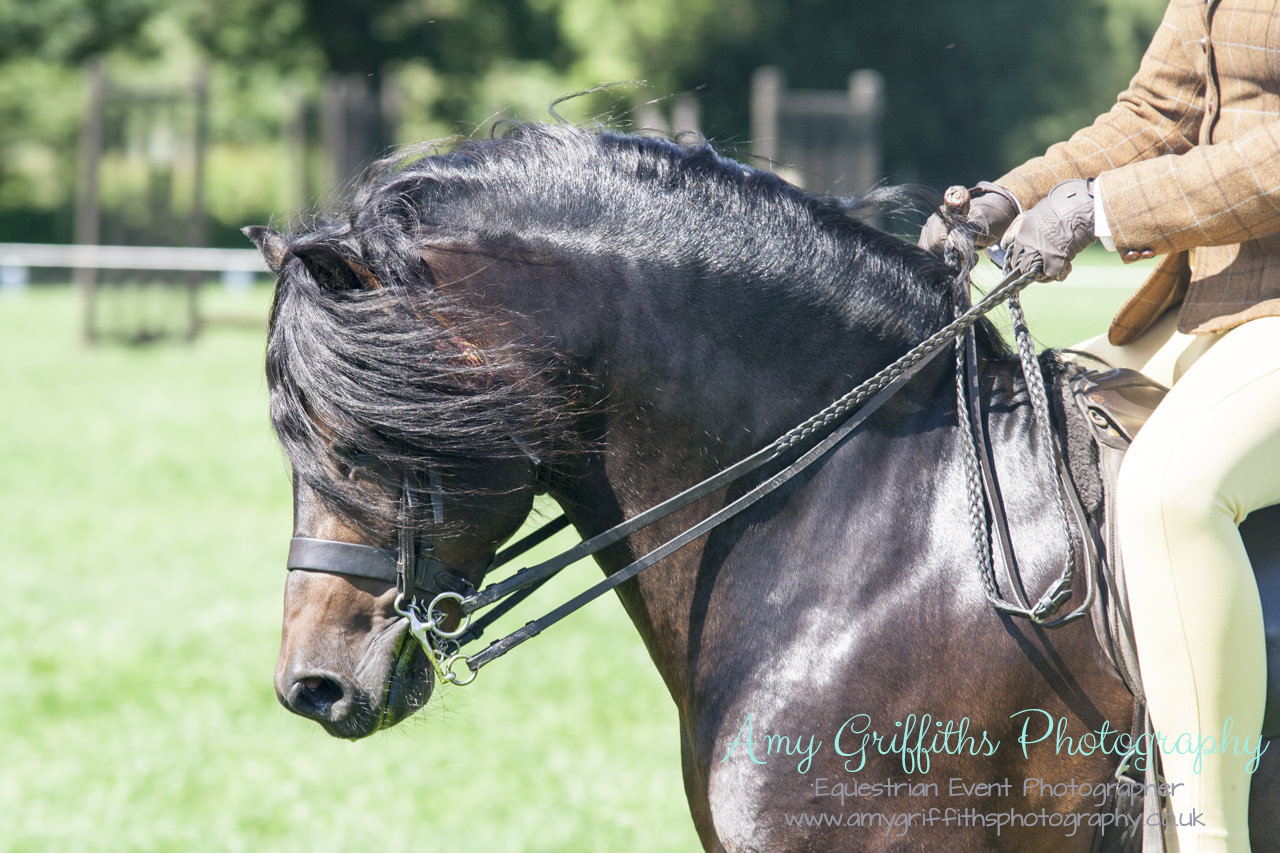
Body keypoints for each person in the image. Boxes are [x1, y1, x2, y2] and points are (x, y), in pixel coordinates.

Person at [920, 2, 1280, 850]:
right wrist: (1014, 197)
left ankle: (1205, 832)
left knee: (1172, 491)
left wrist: (1102, 210)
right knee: (1012, 423)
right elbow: (1157, 113)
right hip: (1209, 310)